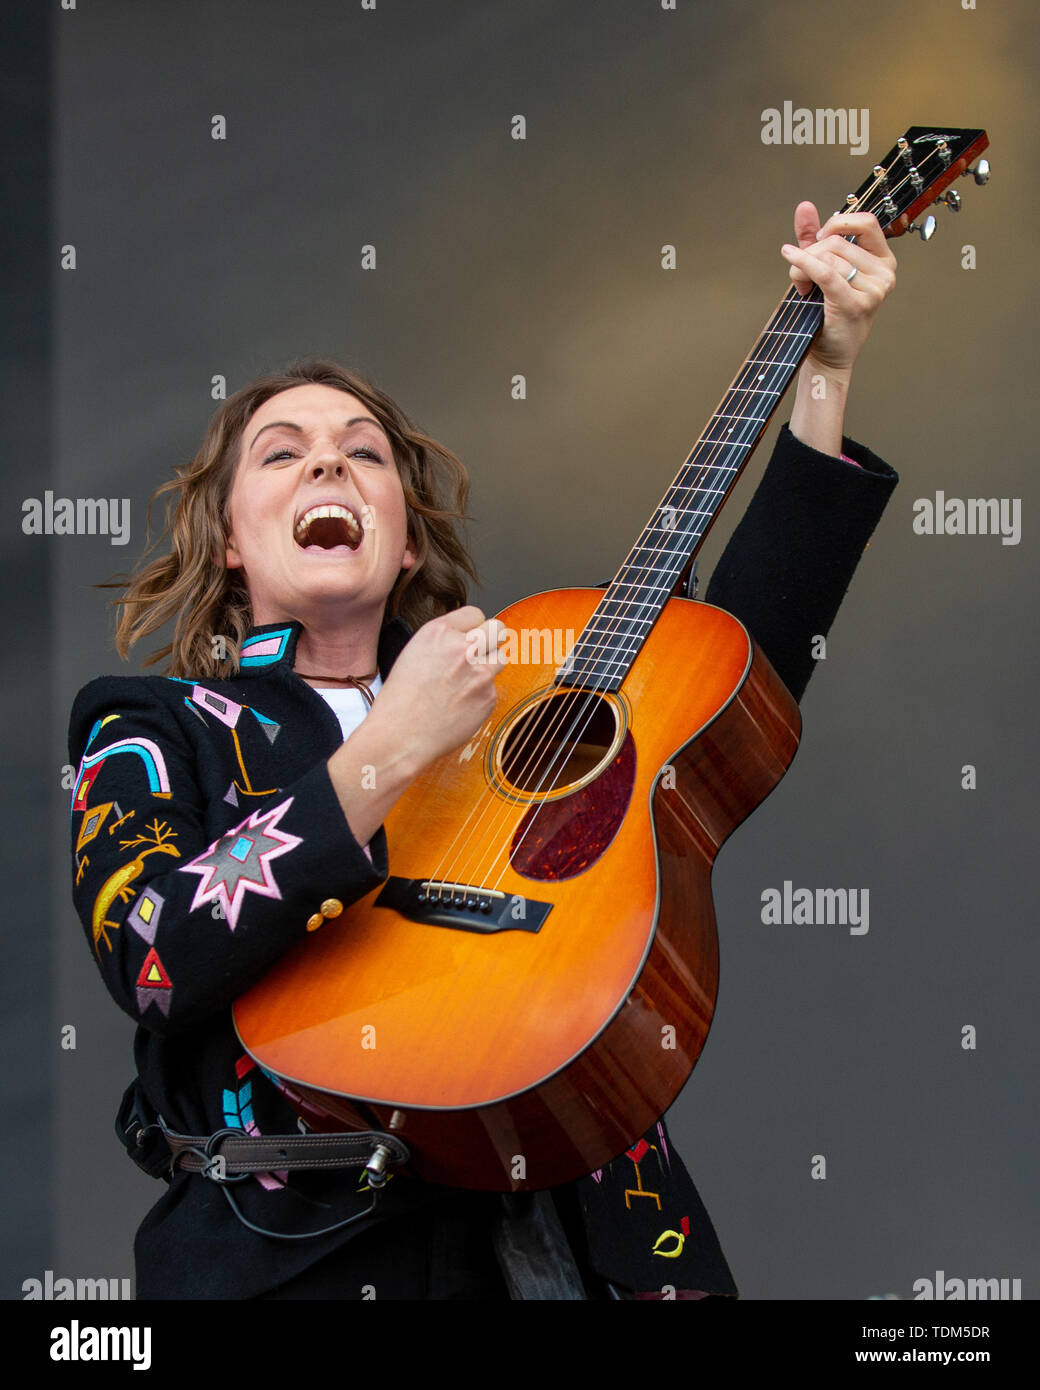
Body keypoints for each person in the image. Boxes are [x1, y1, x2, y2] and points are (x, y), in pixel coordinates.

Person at [68, 204, 898, 1300]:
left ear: (405, 533)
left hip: (596, 1241)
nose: (329, 465)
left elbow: (728, 677)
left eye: (363, 453)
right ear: (229, 540)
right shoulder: (152, 725)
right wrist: (391, 746)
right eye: (284, 454)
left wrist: (824, 369)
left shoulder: (529, 684)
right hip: (299, 1260)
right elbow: (152, 948)